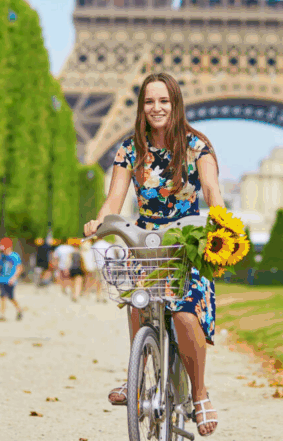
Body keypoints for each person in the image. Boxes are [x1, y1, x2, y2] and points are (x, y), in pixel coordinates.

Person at [84, 72, 222, 437]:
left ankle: (199, 392)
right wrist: (99, 221)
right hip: (147, 241)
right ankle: (138, 374)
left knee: (185, 316)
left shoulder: (198, 146)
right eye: (149, 101)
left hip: (187, 243)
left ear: (175, 104)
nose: (157, 108)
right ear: (141, 107)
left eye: (164, 101)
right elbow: (114, 199)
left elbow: (211, 189)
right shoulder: (129, 150)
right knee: (136, 300)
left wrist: (220, 221)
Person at [0, 238, 23, 321]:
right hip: (2, 279)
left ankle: (19, 309)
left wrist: (14, 278)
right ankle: (2, 315)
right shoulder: (2, 257)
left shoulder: (15, 256)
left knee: (11, 297)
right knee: (2, 296)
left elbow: (19, 268)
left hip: (10, 280)